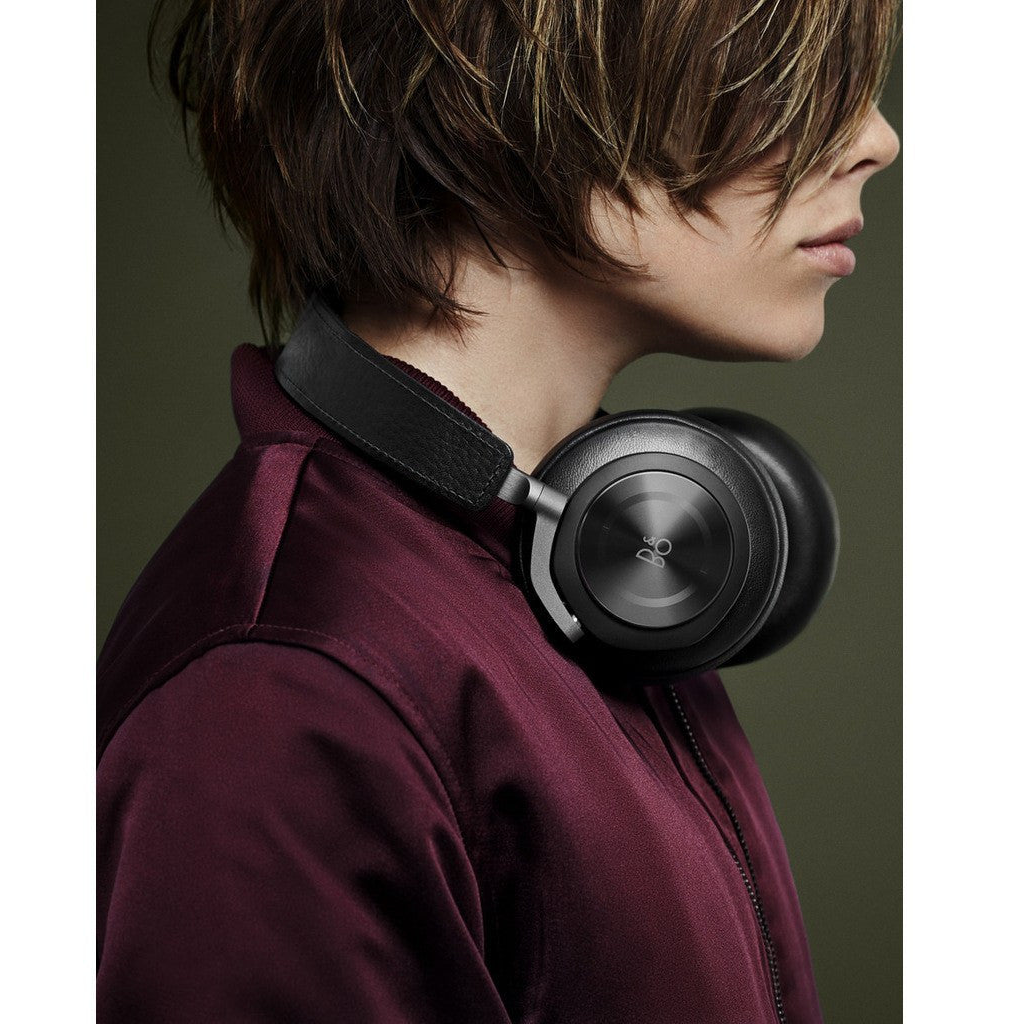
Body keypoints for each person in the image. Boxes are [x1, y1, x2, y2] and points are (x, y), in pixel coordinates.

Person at [98, 1, 900, 1021]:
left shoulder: (587, 562)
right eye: (785, 81)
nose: (876, 139)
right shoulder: (277, 700)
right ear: (514, 102)